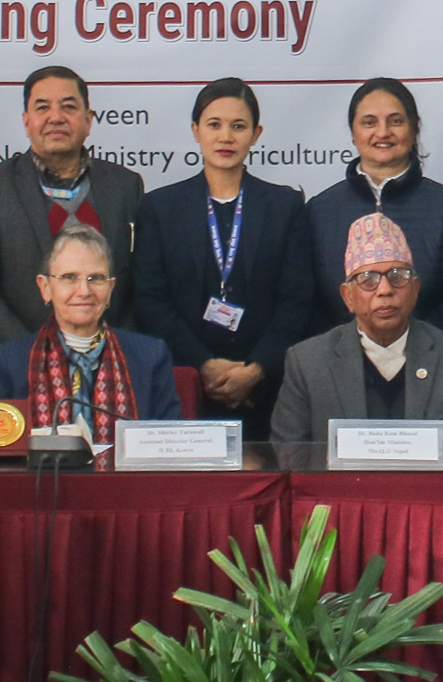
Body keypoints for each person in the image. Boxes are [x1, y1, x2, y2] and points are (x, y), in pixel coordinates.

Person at [135, 78, 317, 440]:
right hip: (184, 385)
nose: (226, 137)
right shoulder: (160, 207)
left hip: (267, 390)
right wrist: (204, 365)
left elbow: (297, 300)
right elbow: (150, 300)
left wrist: (256, 370)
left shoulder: (285, 206)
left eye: (239, 126)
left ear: (256, 133)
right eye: (214, 125)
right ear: (195, 131)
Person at [0, 63, 145, 353]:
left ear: (88, 120)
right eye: (42, 108)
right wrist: (35, 355)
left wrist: (112, 351)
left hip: (110, 366)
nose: (55, 118)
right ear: (26, 121)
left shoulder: (125, 186)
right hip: (19, 367)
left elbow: (138, 286)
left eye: (68, 107)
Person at [273, 213, 443, 445]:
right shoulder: (307, 363)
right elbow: (289, 458)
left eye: (397, 276)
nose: (385, 290)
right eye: (368, 279)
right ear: (348, 296)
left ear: (415, 289)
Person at [301, 76, 443, 336]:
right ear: (353, 133)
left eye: (395, 121)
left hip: (432, 364)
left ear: (414, 128)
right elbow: (304, 300)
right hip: (339, 367)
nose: (383, 132)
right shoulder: (318, 211)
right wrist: (340, 353)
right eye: (369, 122)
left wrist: (424, 349)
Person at [0, 225, 178, 437]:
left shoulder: (150, 356)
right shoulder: (10, 361)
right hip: (42, 471)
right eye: (69, 277)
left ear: (111, 289)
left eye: (96, 278)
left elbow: (167, 447)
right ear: (45, 287)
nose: (84, 291)